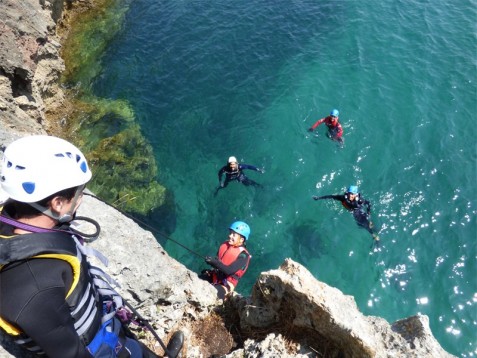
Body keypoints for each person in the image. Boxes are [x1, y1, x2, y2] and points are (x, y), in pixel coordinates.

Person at [0, 135, 183, 358]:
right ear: (57, 203)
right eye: (78, 193)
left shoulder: (14, 221)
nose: (81, 199)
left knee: (135, 348)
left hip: (104, 325)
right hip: (96, 349)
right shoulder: (34, 287)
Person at [199, 221, 251, 300]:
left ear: (241, 239)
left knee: (211, 295)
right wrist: (211, 265)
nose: (230, 236)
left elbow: (229, 271)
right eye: (230, 233)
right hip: (215, 276)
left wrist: (214, 263)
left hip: (226, 285)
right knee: (198, 279)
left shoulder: (244, 255)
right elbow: (218, 261)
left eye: (234, 235)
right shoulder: (225, 245)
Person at [313, 185, 379, 241]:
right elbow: (331, 196)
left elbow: (368, 203)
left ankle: (376, 238)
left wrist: (368, 212)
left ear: (355, 194)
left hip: (358, 212)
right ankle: (373, 229)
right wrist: (319, 198)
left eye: (352, 194)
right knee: (362, 225)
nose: (350, 196)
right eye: (349, 194)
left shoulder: (360, 200)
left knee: (365, 226)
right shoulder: (344, 198)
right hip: (353, 212)